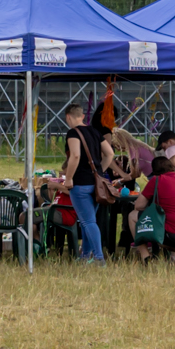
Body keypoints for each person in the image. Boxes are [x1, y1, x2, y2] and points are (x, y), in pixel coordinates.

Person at [58, 101, 106, 263]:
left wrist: (69, 178)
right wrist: (99, 172)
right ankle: (85, 256)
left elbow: (75, 155)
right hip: (96, 184)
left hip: (80, 184)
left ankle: (99, 258)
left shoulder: (73, 133)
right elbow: (110, 153)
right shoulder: (95, 132)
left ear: (68, 117)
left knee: (88, 221)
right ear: (83, 116)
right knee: (87, 220)